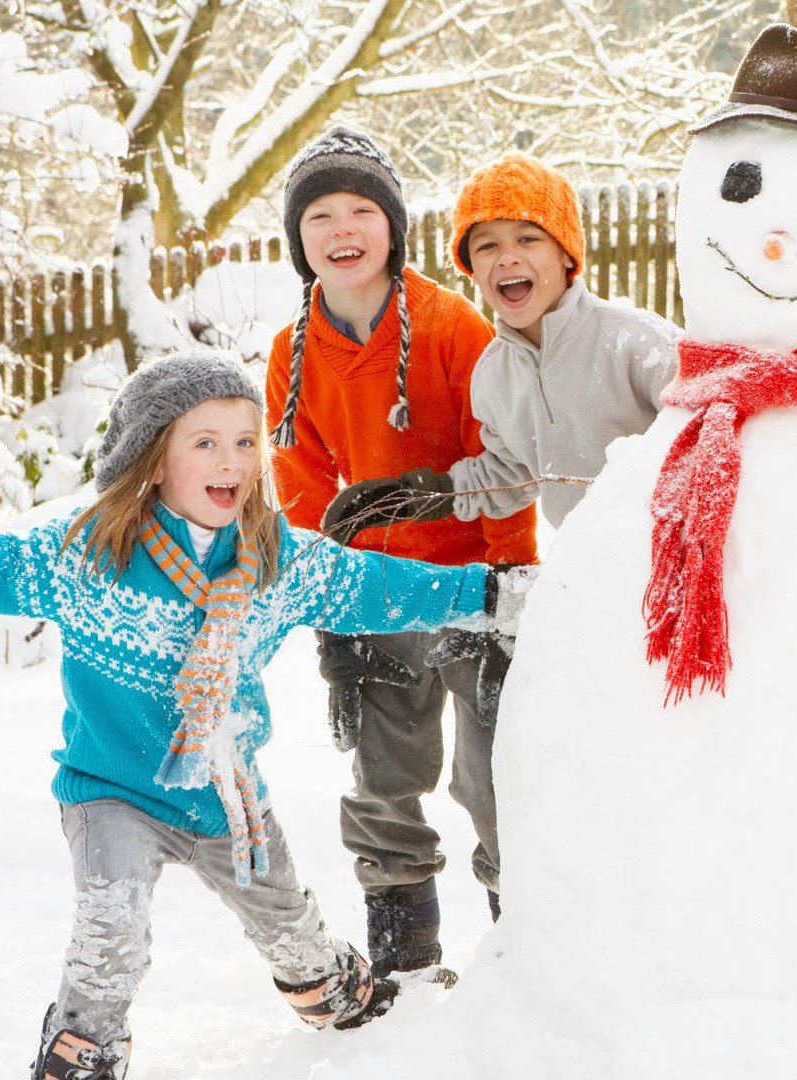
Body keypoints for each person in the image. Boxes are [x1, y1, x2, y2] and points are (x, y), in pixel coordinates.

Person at [0, 352, 533, 1080]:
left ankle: (331, 991)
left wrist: (491, 594)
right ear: (154, 458)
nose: (231, 461)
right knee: (111, 930)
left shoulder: (278, 561)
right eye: (205, 442)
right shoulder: (90, 555)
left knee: (287, 924)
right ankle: (86, 1045)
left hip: (225, 796)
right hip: (113, 790)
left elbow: (376, 586)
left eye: (244, 441)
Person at [265, 123, 535, 981]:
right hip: (374, 592)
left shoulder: (453, 327)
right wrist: (330, 604)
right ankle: (406, 955)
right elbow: (301, 484)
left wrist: (510, 585)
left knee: (494, 777)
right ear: (299, 239)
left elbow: (502, 458)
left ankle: (524, 944)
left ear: (392, 227)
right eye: (319, 217)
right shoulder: (293, 353)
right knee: (385, 778)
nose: (341, 230)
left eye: (361, 211)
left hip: (470, 584)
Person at [332, 152, 678, 533]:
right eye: (487, 246)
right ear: (472, 271)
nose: (507, 258)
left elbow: (712, 430)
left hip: (672, 548)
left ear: (566, 253)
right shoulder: (493, 375)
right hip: (584, 559)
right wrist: (425, 494)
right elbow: (509, 470)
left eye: (528, 238)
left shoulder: (639, 345)